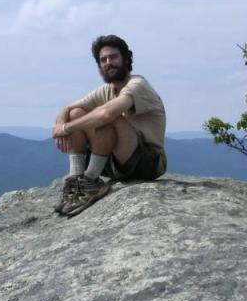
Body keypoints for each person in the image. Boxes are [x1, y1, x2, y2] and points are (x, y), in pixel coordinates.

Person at [52, 35, 167, 216]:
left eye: (113, 57)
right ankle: (77, 180)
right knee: (76, 114)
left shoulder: (138, 85)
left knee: (106, 116)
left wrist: (66, 129)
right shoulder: (107, 90)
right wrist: (60, 124)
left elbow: (106, 114)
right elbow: (69, 108)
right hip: (116, 162)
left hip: (148, 162)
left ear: (126, 59)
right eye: (103, 60)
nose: (108, 63)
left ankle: (90, 181)